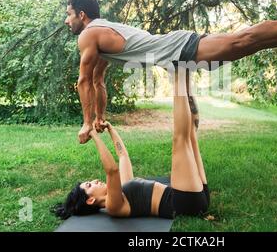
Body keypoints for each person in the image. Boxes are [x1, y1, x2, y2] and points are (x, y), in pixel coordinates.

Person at [64, 0, 277, 143]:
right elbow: (97, 81)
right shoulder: (100, 35)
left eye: (68, 15)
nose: (67, 22)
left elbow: (83, 82)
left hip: (178, 50)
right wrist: (99, 116)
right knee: (252, 44)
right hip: (177, 57)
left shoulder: (90, 35)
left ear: (81, 14)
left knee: (245, 38)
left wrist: (87, 123)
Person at [53, 70, 209, 219]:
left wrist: (110, 129)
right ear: (90, 200)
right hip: (184, 202)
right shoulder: (113, 206)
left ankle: (185, 73)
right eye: (89, 185)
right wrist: (93, 134)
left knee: (190, 136)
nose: (94, 181)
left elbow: (123, 156)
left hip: (193, 195)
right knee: (181, 140)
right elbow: (112, 171)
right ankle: (178, 72)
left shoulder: (123, 188)